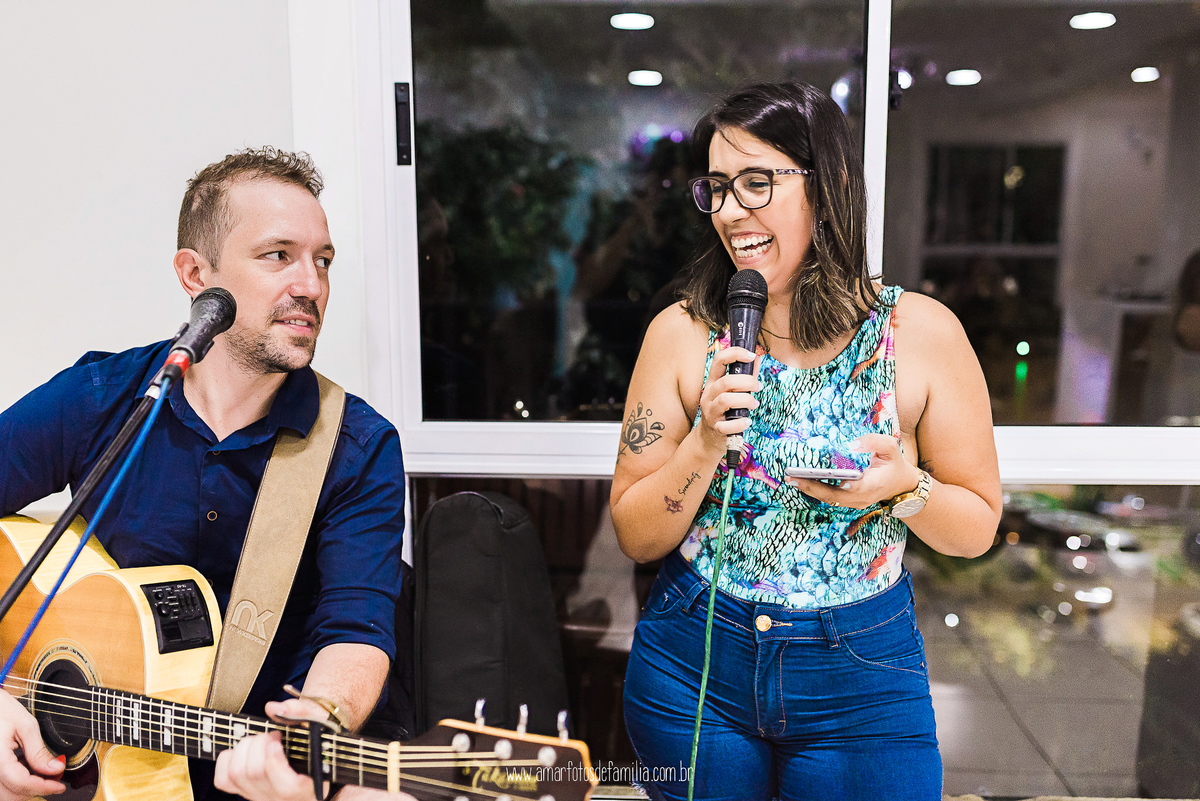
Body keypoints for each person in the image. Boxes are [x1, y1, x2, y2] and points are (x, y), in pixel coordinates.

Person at [611, 82, 1002, 800]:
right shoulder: (682, 332)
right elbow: (636, 536)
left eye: (757, 183)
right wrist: (703, 443)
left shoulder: (920, 334)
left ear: (831, 186)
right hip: (695, 663)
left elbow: (977, 526)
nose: (731, 211)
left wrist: (902, 488)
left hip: (860, 673)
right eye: (717, 188)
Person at [0, 148, 413, 801]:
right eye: (278, 255)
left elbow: (355, 629)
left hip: (261, 769)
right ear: (196, 275)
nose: (310, 284)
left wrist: (317, 722)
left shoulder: (356, 447)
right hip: (101, 770)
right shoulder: (101, 399)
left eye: (323, 260)